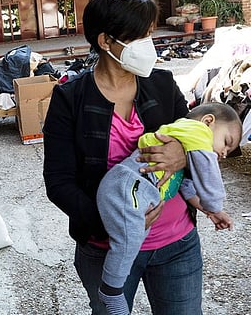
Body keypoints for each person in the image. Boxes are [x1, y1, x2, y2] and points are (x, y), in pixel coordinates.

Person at [43, 0, 201, 314]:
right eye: (140, 36)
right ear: (106, 41)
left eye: (149, 33)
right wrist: (114, 223)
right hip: (104, 249)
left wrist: (182, 154)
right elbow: (59, 183)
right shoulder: (70, 99)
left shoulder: (161, 83)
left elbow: (197, 137)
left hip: (175, 243)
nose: (150, 44)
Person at [96, 102, 242, 315]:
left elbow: (185, 186)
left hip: (130, 189)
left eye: (228, 151)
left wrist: (211, 212)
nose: (224, 153)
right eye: (226, 142)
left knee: (133, 235)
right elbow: (208, 179)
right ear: (208, 121)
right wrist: (215, 203)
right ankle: (111, 289)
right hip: (126, 187)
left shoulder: (184, 138)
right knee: (128, 239)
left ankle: (113, 287)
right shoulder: (198, 132)